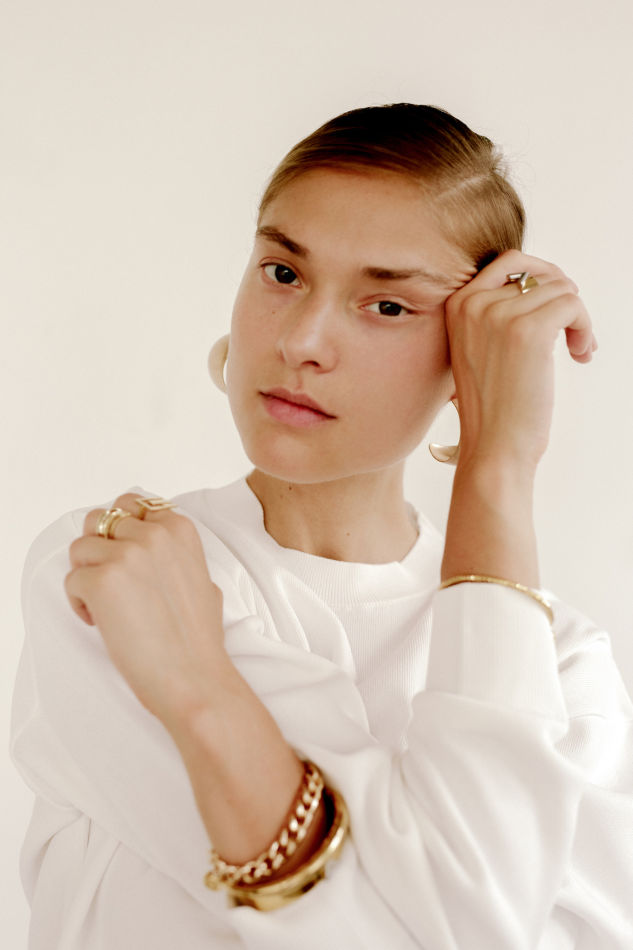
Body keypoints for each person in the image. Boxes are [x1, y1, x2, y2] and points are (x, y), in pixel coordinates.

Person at [10, 103, 633, 949]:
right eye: (282, 272)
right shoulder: (117, 569)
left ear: (471, 357)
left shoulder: (557, 664)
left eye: (387, 306)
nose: (302, 340)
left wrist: (498, 466)